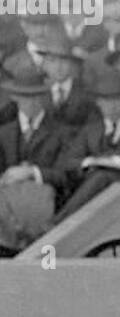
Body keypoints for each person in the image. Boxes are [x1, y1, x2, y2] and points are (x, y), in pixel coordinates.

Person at [56, 65, 120, 221]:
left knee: (103, 177)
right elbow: (68, 162)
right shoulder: (90, 130)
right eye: (105, 101)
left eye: (116, 100)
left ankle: (59, 222)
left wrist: (118, 160)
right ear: (98, 102)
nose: (111, 106)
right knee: (99, 176)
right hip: (92, 196)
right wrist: (91, 161)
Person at [0, 60, 67, 255]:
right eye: (24, 97)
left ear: (44, 96)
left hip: (43, 208)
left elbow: (64, 175)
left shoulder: (61, 133)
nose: (30, 103)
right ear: (14, 97)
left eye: (36, 96)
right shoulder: (3, 133)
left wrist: (31, 172)